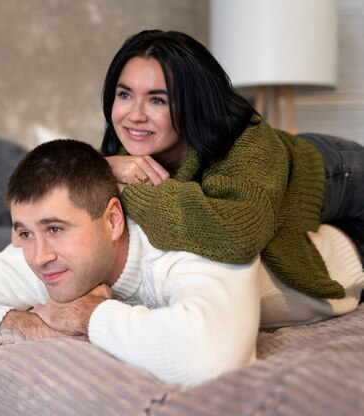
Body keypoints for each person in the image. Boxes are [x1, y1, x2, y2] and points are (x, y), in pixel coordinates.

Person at [0, 139, 364, 386]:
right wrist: (24, 323)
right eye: (24, 232)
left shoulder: (185, 232)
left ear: (113, 220)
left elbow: (210, 358)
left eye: (55, 229)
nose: (39, 256)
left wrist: (92, 317)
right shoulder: (40, 259)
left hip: (353, 253)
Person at [100, 29, 364, 300]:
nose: (134, 115)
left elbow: (239, 236)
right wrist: (102, 167)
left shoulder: (246, 142)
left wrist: (133, 191)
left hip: (338, 170)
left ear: (194, 103)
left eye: (157, 100)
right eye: (125, 95)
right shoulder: (121, 152)